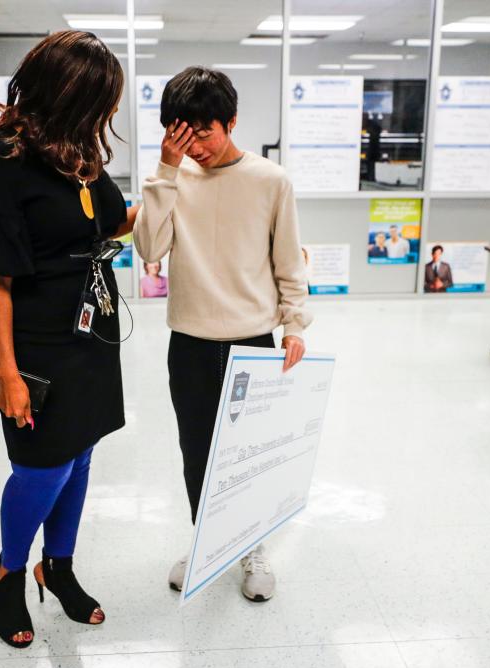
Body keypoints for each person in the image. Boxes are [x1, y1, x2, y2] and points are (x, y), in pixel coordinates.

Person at [0, 31, 137, 648]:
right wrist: (7, 373)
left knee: (80, 455)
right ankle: (8, 571)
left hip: (90, 332)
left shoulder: (78, 152)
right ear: (67, 95)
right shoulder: (2, 162)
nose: (104, 118)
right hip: (35, 342)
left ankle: (57, 568)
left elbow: (114, 222)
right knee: (41, 466)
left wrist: (175, 182)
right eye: (98, 103)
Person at [133, 67, 313, 602]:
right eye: (180, 135)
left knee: (248, 454)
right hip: (188, 340)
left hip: (252, 342)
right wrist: (166, 169)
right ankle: (209, 540)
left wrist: (295, 324)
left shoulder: (270, 181)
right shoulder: (174, 178)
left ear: (231, 122)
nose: (195, 147)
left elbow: (288, 260)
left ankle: (252, 547)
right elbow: (148, 251)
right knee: (198, 452)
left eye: (203, 133)